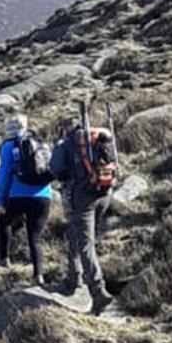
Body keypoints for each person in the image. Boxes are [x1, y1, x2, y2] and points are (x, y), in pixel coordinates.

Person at [50, 115, 115, 314]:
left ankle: (98, 290)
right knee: (81, 235)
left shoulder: (67, 144)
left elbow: (57, 170)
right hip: (104, 193)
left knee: (85, 242)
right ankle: (73, 276)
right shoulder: (98, 137)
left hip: (82, 196)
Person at [0, 115, 54, 285]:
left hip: (17, 195)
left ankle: (4, 258)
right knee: (35, 237)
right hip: (43, 196)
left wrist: (0, 200)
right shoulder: (41, 143)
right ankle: (38, 275)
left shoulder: (9, 146)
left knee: (4, 221)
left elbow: (4, 175)